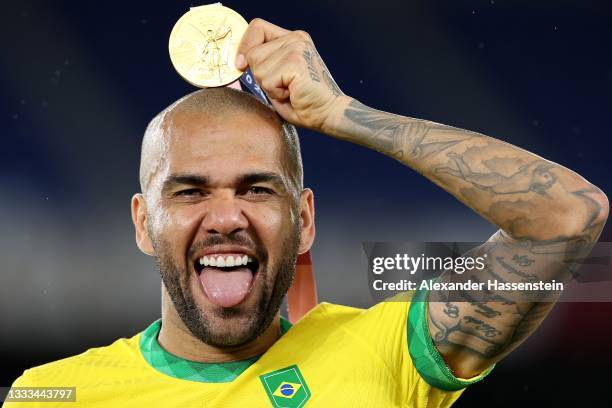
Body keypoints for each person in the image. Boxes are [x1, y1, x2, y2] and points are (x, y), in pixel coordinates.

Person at [4, 18, 608, 408]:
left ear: (306, 221)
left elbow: (567, 215)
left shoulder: (386, 352)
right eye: (189, 191)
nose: (225, 217)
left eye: (258, 190)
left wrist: (344, 115)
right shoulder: (54, 396)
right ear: (142, 222)